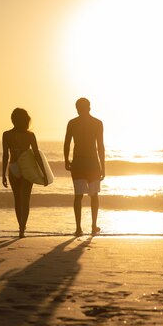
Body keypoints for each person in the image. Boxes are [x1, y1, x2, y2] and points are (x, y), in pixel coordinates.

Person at [2, 108, 48, 238]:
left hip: (14, 167)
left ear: (13, 120)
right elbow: (37, 155)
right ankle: (23, 228)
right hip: (27, 167)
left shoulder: (6, 135)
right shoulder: (30, 135)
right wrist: (43, 173)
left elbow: (5, 155)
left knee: (17, 199)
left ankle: (20, 227)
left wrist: (3, 174)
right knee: (26, 199)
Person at [64, 98, 105, 236]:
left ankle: (78, 228)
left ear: (77, 108)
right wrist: (103, 167)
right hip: (93, 164)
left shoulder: (72, 123)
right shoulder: (97, 123)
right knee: (94, 196)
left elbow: (66, 143)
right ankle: (93, 226)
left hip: (78, 164)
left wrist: (66, 160)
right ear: (89, 107)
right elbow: (100, 147)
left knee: (78, 196)